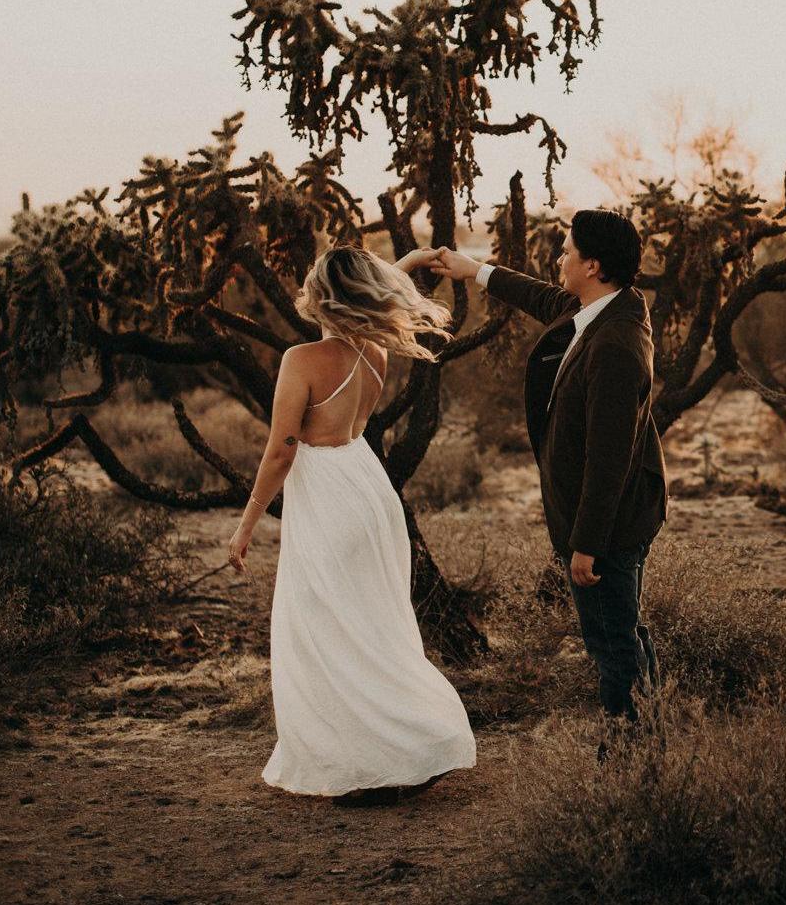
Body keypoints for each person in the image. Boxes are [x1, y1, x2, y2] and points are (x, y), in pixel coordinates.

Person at [225, 244, 476, 799]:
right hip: (367, 488)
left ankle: (364, 761)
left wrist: (245, 526)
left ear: (323, 297)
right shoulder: (374, 354)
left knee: (323, 628)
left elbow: (281, 450)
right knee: (373, 624)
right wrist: (404, 265)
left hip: (327, 498)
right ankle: (405, 746)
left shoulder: (302, 361)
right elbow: (372, 291)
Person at [413, 211, 667, 728]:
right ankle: (649, 736)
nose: (559, 258)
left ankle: (629, 755)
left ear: (592, 265)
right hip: (610, 515)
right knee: (624, 630)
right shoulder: (600, 310)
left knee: (611, 642)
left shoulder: (616, 345)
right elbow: (539, 296)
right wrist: (474, 270)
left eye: (567, 250)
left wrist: (587, 543)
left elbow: (609, 456)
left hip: (611, 523)